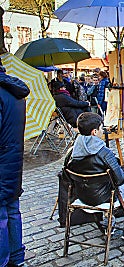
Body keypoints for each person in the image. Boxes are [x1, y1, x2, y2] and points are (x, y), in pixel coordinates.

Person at [66, 112, 124, 240]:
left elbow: (67, 177)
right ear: (94, 132)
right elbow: (120, 180)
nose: (103, 131)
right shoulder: (104, 153)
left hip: (82, 196)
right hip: (104, 197)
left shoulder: (72, 151)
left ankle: (109, 225)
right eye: (102, 128)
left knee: (101, 186)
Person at [0, 61, 30, 267]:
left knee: (3, 215)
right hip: (12, 161)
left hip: (2, 161)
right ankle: (17, 258)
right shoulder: (14, 91)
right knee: (11, 209)